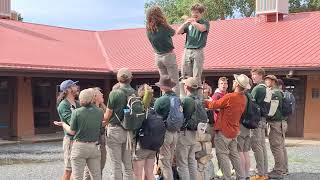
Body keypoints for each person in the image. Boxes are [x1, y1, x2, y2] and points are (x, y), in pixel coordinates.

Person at [204, 74, 250, 180]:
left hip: (224, 130)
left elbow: (213, 105)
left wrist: (203, 100)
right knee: (234, 155)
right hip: (234, 130)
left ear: (237, 84)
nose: (232, 82)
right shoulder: (243, 98)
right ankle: (241, 176)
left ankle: (227, 177)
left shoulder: (230, 96)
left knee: (222, 155)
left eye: (234, 81)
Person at [55, 88, 104, 180]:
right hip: (94, 146)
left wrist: (63, 124)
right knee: (96, 176)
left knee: (77, 176)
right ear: (92, 99)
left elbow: (72, 131)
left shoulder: (77, 112)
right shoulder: (100, 111)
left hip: (79, 146)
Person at [104, 68, 135, 180]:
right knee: (128, 164)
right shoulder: (134, 92)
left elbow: (107, 115)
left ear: (118, 78)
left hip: (115, 129)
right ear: (130, 79)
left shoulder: (114, 93)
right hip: (128, 130)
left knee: (116, 164)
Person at [146, 6, 180, 97]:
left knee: (164, 83)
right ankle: (175, 102)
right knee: (174, 81)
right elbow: (173, 32)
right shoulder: (164, 26)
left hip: (157, 56)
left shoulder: (148, 29)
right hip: (168, 55)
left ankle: (166, 100)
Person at [177, 3, 210, 86]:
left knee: (196, 75)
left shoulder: (205, 22)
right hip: (187, 50)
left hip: (198, 51)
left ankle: (196, 96)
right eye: (193, 12)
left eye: (197, 12)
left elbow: (202, 29)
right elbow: (178, 31)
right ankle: (185, 95)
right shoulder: (188, 24)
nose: (195, 14)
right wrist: (185, 23)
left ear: (201, 13)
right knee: (185, 74)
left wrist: (192, 22)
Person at [154, 75, 179, 180]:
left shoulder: (161, 100)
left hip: (165, 133)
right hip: (175, 132)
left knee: (165, 162)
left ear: (162, 87)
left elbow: (154, 117)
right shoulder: (177, 99)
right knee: (169, 161)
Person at [176, 77, 200, 180]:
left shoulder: (185, 100)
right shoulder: (198, 99)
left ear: (186, 87)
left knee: (182, 164)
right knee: (191, 161)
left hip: (184, 133)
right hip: (194, 133)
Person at [56, 79, 80, 180]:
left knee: (77, 170)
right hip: (70, 140)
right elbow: (72, 122)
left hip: (78, 139)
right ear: (68, 89)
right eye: (74, 85)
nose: (77, 87)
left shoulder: (77, 103)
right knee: (68, 170)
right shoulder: (63, 105)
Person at [133, 84, 157, 180]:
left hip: (142, 144)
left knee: (137, 174)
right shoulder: (155, 106)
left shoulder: (141, 107)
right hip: (154, 144)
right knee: (150, 174)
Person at [83, 87, 107, 180]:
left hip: (101, 140)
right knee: (89, 169)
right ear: (95, 96)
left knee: (101, 165)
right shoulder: (89, 110)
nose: (102, 94)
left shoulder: (102, 108)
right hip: (92, 141)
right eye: (100, 94)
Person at [264, 75, 285, 179]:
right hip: (279, 122)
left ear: (272, 81)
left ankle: (278, 171)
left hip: (275, 123)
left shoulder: (275, 93)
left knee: (276, 147)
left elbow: (271, 111)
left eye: (267, 80)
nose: (266, 82)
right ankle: (281, 169)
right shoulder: (279, 92)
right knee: (279, 147)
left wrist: (264, 116)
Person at [250, 68, 269, 180]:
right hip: (263, 119)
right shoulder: (266, 88)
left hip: (256, 120)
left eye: (255, 75)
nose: (253, 77)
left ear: (261, 75)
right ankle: (264, 172)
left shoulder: (257, 89)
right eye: (252, 75)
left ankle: (260, 173)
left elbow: (250, 104)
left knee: (257, 147)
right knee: (262, 147)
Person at [276, 79, 291, 175]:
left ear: (280, 86)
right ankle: (285, 169)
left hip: (279, 122)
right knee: (282, 147)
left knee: (279, 147)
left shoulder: (279, 95)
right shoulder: (287, 95)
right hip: (284, 122)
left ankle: (281, 170)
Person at [238, 85, 253, 180]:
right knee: (246, 151)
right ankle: (247, 174)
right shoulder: (250, 96)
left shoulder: (241, 96)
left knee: (240, 151)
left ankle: (242, 175)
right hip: (248, 125)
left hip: (241, 124)